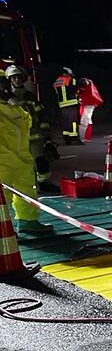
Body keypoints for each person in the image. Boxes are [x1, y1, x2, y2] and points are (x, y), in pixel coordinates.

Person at [0, 69, 53, 234]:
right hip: (2, 160)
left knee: (26, 190)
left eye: (3, 83)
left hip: (22, 158)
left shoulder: (16, 105)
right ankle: (3, 230)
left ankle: (28, 221)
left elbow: (28, 125)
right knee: (3, 196)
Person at [6, 65, 60, 193]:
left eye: (18, 78)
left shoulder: (29, 96)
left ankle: (44, 183)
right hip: (17, 138)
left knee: (41, 161)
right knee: (22, 165)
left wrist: (47, 136)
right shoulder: (8, 98)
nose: (17, 80)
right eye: (14, 78)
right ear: (10, 80)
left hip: (34, 135)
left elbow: (40, 115)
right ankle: (25, 187)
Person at [53, 67, 82, 145]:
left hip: (62, 105)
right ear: (68, 74)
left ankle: (67, 139)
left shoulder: (56, 82)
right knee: (73, 122)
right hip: (71, 104)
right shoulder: (71, 80)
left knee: (65, 122)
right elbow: (76, 89)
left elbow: (57, 93)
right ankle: (74, 138)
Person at [77, 77, 104, 142]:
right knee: (88, 120)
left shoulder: (88, 87)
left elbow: (84, 95)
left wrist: (79, 97)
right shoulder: (90, 86)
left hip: (88, 104)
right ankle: (86, 137)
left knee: (84, 121)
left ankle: (81, 137)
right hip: (90, 104)